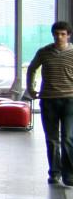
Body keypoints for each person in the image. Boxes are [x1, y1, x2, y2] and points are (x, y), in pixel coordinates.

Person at [26, 20, 73, 186]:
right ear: (53, 35)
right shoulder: (44, 52)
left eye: (63, 34)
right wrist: (30, 88)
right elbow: (31, 68)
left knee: (68, 138)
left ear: (68, 35)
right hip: (48, 100)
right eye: (56, 34)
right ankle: (54, 173)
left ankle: (69, 174)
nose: (59, 37)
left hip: (70, 100)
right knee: (52, 139)